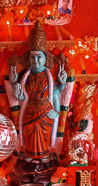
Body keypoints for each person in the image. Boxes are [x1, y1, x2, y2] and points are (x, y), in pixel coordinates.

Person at [8, 22, 67, 173]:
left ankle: (45, 156)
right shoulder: (26, 76)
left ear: (45, 58)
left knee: (44, 134)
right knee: (29, 133)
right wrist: (17, 89)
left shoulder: (49, 76)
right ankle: (29, 156)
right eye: (32, 57)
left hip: (46, 110)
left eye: (39, 57)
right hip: (30, 110)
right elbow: (22, 95)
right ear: (28, 59)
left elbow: (56, 93)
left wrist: (62, 83)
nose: (36, 61)